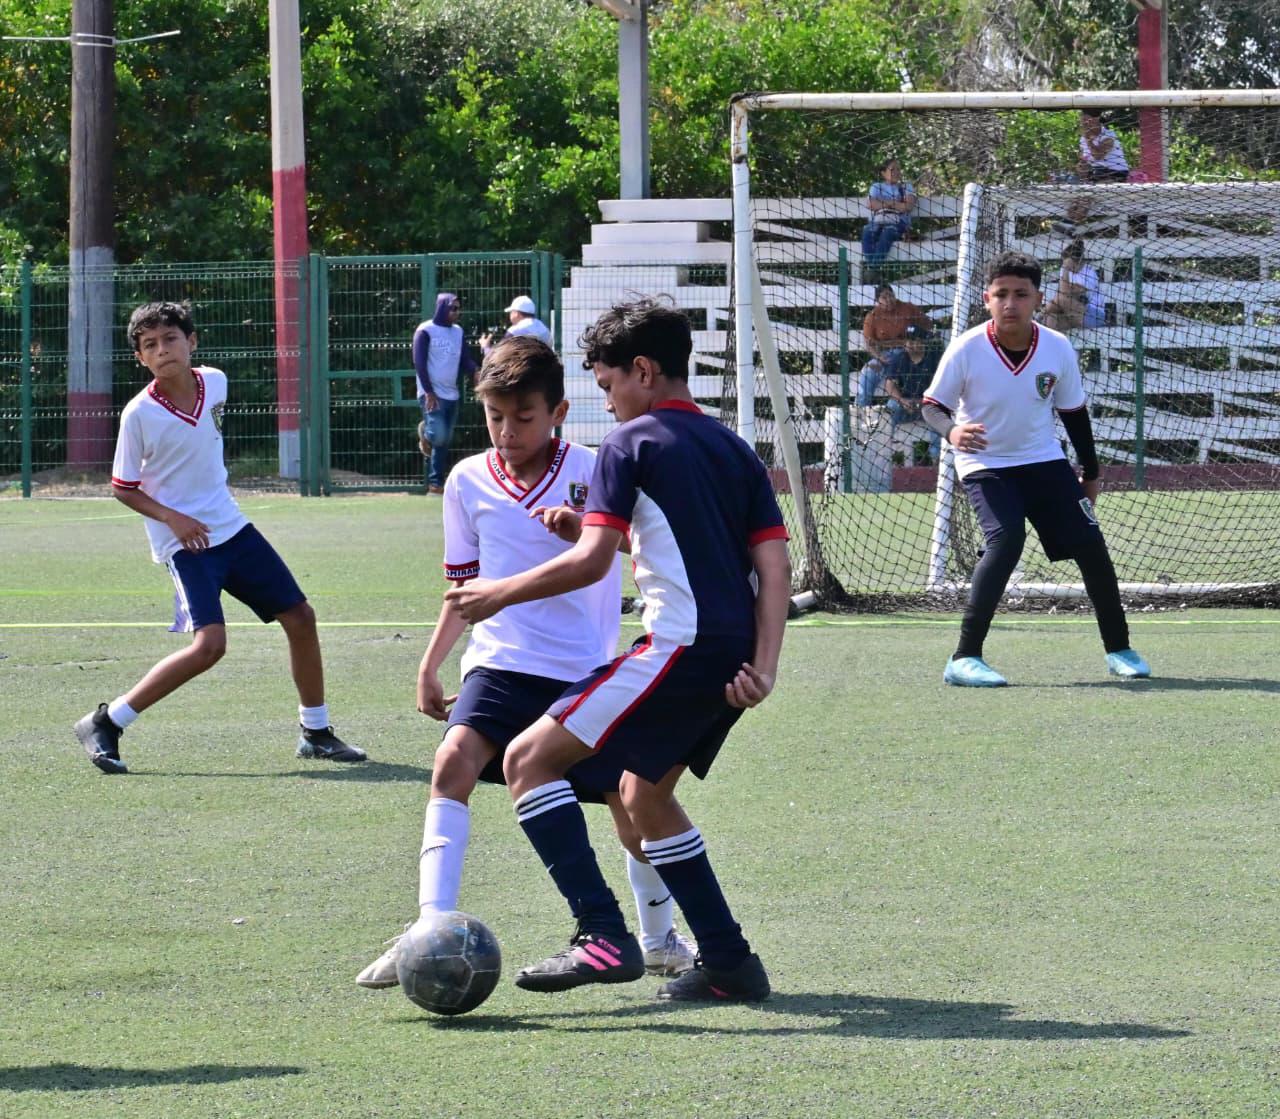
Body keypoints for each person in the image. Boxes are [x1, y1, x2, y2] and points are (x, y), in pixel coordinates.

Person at [444, 298, 792, 1003]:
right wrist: (765, 664)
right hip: (729, 653)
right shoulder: (733, 449)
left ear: (641, 369)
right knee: (641, 794)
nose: (607, 401)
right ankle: (729, 961)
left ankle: (601, 931)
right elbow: (771, 564)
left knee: (527, 758)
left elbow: (589, 564)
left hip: (676, 645)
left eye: (606, 385)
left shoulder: (629, 446)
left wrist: (497, 594)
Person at [355, 336, 696, 989]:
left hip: (584, 673)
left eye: (524, 417)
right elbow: (465, 589)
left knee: (630, 806)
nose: (508, 432)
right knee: (451, 762)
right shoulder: (466, 481)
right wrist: (432, 663)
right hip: (501, 665)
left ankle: (658, 937)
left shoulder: (598, 469)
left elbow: (641, 552)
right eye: (495, 418)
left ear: (559, 410)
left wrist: (586, 533)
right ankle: (428, 928)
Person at [73, 301, 366, 774]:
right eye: (150, 345)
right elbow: (123, 488)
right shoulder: (138, 414)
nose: (162, 349)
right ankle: (107, 720)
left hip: (232, 528)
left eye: (171, 338)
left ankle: (316, 731)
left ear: (193, 342)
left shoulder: (217, 383)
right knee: (210, 646)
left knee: (301, 616)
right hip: (185, 545)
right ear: (140, 359)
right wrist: (174, 519)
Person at [919, 252, 1151, 687]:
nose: (1010, 303)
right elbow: (932, 406)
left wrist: (1091, 472)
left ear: (1038, 299)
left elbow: (1074, 413)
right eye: (1001, 294)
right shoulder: (967, 347)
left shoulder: (1057, 347)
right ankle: (964, 657)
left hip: (1044, 460)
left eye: (1020, 294)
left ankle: (1120, 649)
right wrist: (951, 432)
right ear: (986, 299)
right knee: (1006, 539)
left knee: (1091, 545)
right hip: (986, 464)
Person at [413, 293, 478, 495]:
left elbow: (465, 358)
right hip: (431, 393)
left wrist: (475, 371)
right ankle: (426, 432)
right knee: (438, 437)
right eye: (453, 308)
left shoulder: (458, 332)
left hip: (452, 394)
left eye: (458, 308)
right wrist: (429, 391)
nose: (457, 313)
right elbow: (419, 363)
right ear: (442, 308)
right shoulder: (425, 331)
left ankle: (436, 484)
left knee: (444, 441)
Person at [882, 324, 943, 461]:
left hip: (928, 405)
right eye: (908, 340)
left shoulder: (934, 357)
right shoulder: (899, 357)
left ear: (923, 342)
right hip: (906, 406)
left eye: (915, 340)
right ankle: (884, 454)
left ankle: (937, 459)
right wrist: (902, 401)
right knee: (891, 407)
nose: (910, 344)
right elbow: (889, 383)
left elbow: (943, 386)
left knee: (939, 412)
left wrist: (924, 402)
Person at [860, 157, 917, 283]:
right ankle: (874, 272)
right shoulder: (876, 186)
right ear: (883, 173)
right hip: (878, 221)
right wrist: (894, 203)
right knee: (867, 231)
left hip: (898, 223)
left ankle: (872, 270)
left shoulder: (906, 187)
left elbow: (907, 206)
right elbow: (870, 204)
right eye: (892, 169)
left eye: (898, 169)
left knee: (888, 232)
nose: (896, 172)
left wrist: (883, 203)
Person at [861, 283, 934, 364]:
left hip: (911, 351)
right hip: (885, 354)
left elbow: (928, 325)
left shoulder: (908, 308)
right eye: (884, 297)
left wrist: (917, 339)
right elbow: (869, 344)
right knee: (870, 371)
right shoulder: (872, 317)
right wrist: (879, 356)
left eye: (891, 296)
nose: (889, 299)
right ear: (877, 300)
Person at [1040, 241, 1104, 332]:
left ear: (1077, 261)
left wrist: (1066, 270)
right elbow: (1066, 291)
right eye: (1064, 263)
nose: (1065, 265)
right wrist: (1070, 287)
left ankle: (1039, 315)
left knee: (1060, 298)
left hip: (1093, 316)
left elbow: (1064, 292)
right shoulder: (1066, 270)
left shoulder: (1089, 272)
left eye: (1067, 263)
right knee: (1050, 320)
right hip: (1071, 315)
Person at [480, 295, 552, 354]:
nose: (510, 315)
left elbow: (497, 357)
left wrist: (486, 347)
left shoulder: (515, 330)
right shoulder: (543, 328)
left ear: (516, 314)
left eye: (511, 312)